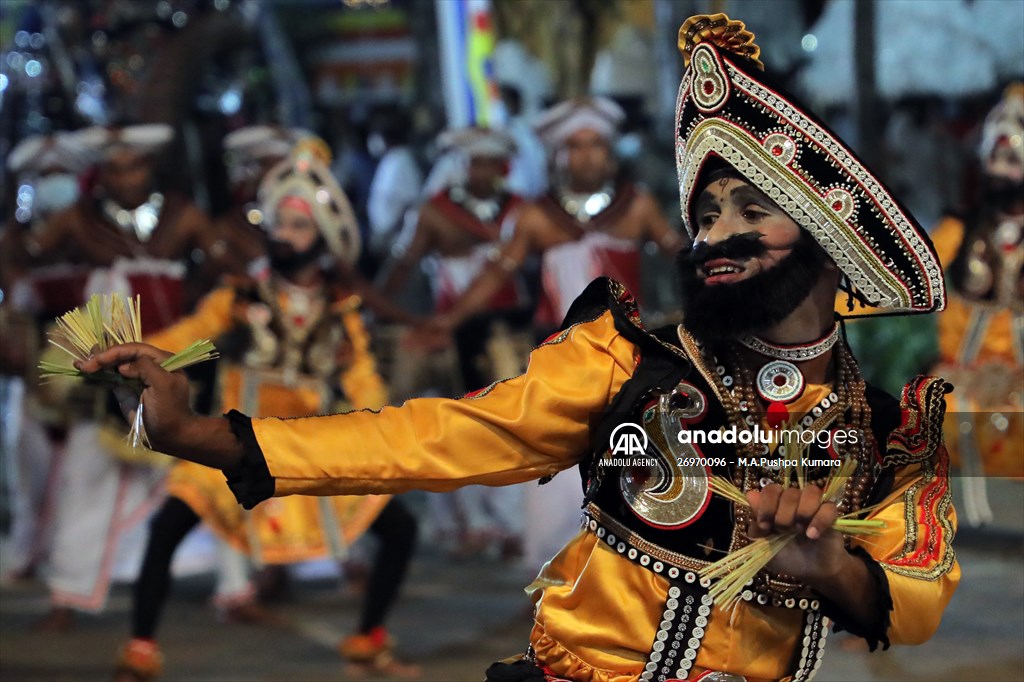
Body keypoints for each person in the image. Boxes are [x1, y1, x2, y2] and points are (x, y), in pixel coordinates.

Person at [81, 15, 959, 681]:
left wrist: (831, 567)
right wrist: (207, 438)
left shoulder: (881, 430)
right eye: (705, 216)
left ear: (821, 237)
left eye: (750, 214)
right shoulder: (626, 365)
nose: (714, 238)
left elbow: (916, 597)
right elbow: (434, 437)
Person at [112, 147, 418, 681]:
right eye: (278, 223)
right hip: (234, 439)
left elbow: (363, 377)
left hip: (308, 445)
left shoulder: (340, 306)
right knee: (167, 527)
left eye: (298, 226)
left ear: (320, 238)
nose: (284, 233)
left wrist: (384, 427)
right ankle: (140, 650)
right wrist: (133, 352)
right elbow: (184, 340)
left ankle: (369, 639)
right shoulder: (238, 295)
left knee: (399, 528)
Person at [21, 124, 220, 631]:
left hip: (172, 368)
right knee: (83, 481)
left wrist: (200, 304)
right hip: (104, 372)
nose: (126, 177)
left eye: (135, 166)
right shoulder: (76, 220)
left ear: (150, 167)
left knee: (207, 477)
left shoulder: (183, 216)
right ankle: (66, 598)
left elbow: (230, 265)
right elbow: (22, 258)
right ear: (99, 174)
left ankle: (238, 589)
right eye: (114, 168)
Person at [379, 126, 530, 557]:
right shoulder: (433, 211)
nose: (481, 171)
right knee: (459, 422)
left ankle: (511, 522)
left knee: (509, 423)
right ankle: (474, 521)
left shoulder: (520, 209)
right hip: (450, 329)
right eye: (473, 162)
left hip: (507, 327)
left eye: (490, 163)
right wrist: (387, 313)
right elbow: (403, 264)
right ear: (459, 165)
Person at [930, 82, 1024, 525]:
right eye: (992, 157)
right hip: (965, 379)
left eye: (1010, 160)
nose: (997, 170)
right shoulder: (956, 230)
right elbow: (907, 277)